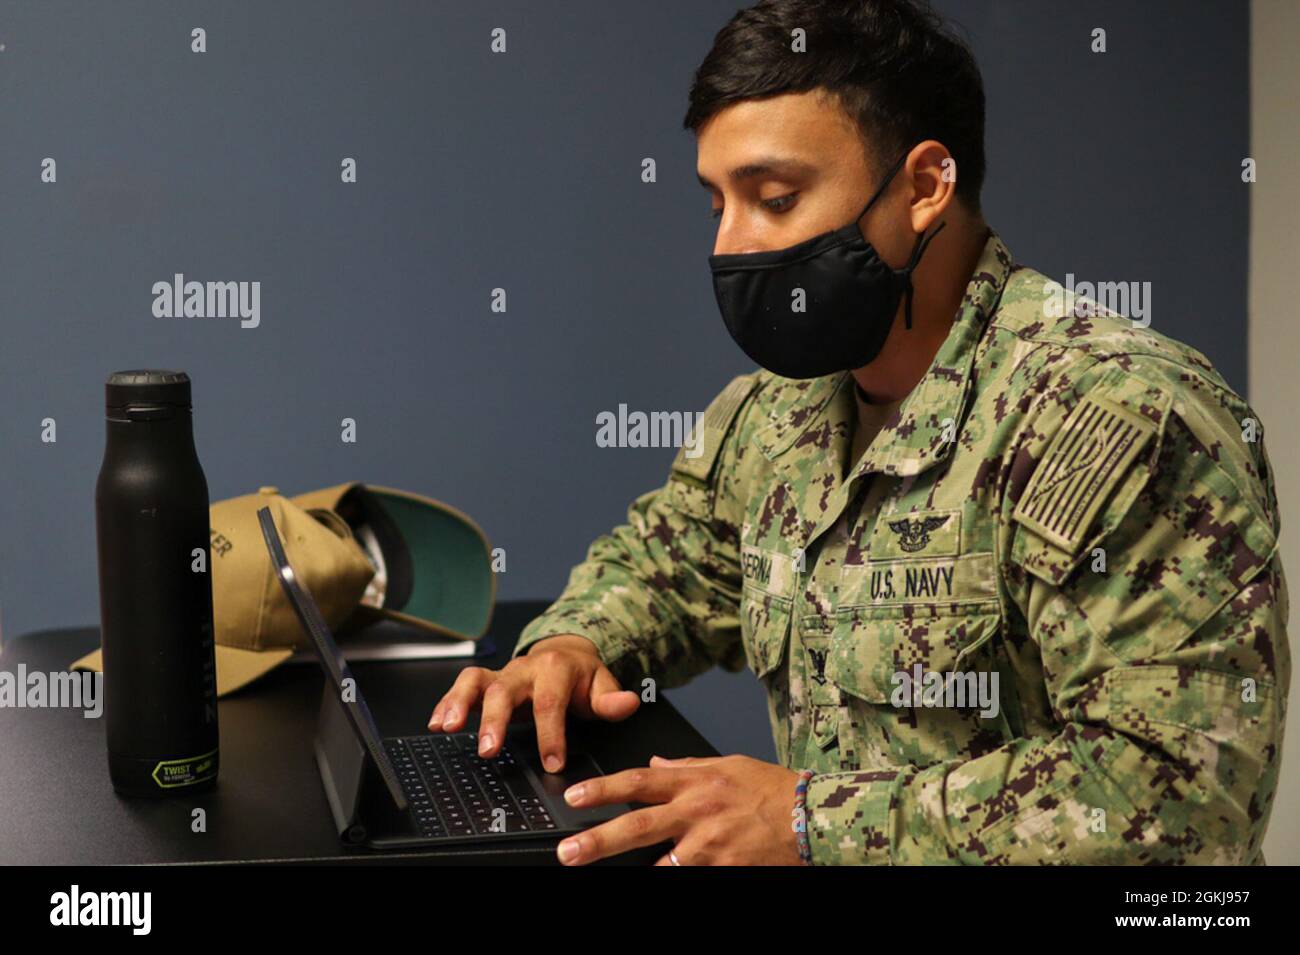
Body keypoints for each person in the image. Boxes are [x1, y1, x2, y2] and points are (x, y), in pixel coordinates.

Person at [429, 0, 1289, 866]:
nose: (732, 246)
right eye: (717, 204)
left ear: (923, 188)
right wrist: (573, 642)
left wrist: (807, 820)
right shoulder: (784, 411)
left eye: (774, 198)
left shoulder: (1112, 415)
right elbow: (671, 561)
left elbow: (1175, 808)